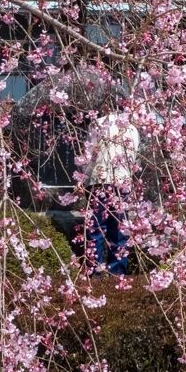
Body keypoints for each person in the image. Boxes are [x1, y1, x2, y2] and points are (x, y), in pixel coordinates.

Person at [83, 110, 139, 275]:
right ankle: (118, 272)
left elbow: (89, 155)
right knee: (119, 228)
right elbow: (133, 157)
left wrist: (84, 178)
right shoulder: (132, 129)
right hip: (122, 181)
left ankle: (95, 271)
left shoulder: (97, 124)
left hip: (98, 181)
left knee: (96, 228)